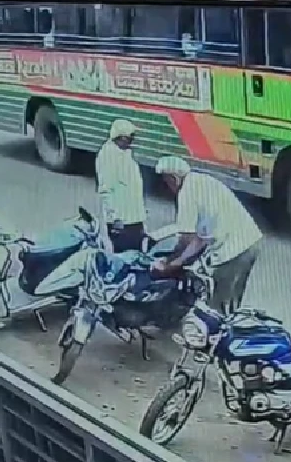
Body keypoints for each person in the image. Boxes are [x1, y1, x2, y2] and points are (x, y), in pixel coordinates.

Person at [151, 156, 263, 315]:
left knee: (216, 305)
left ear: (173, 178)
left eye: (166, 181)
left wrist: (168, 264)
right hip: (250, 242)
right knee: (232, 300)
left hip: (233, 251)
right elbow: (200, 238)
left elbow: (186, 239)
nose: (167, 186)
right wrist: (180, 261)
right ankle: (228, 323)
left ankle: (213, 336)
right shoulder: (201, 180)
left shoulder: (187, 193)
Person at [95, 119, 146, 252]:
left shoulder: (124, 153)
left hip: (133, 218)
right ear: (120, 137)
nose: (132, 141)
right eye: (129, 137)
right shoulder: (108, 157)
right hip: (122, 221)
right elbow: (106, 190)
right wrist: (115, 218)